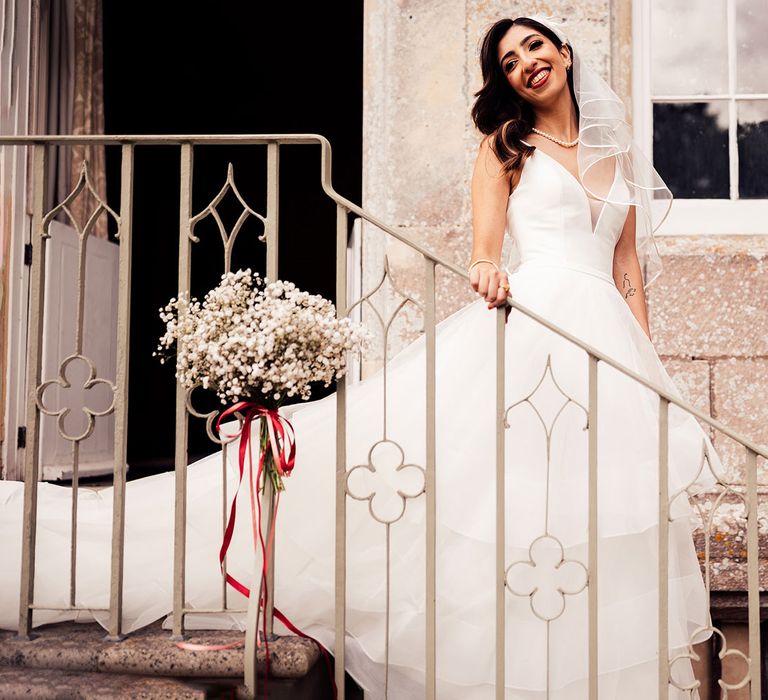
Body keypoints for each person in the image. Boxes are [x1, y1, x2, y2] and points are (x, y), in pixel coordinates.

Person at [0, 15, 721, 700]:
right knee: (498, 498)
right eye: (509, 61)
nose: (526, 64)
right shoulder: (507, 147)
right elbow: (484, 250)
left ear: (563, 53)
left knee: (586, 510)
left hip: (608, 344)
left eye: (534, 48)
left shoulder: (617, 154)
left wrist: (649, 369)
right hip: (534, 325)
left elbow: (628, 273)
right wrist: (487, 271)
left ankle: (572, 671)